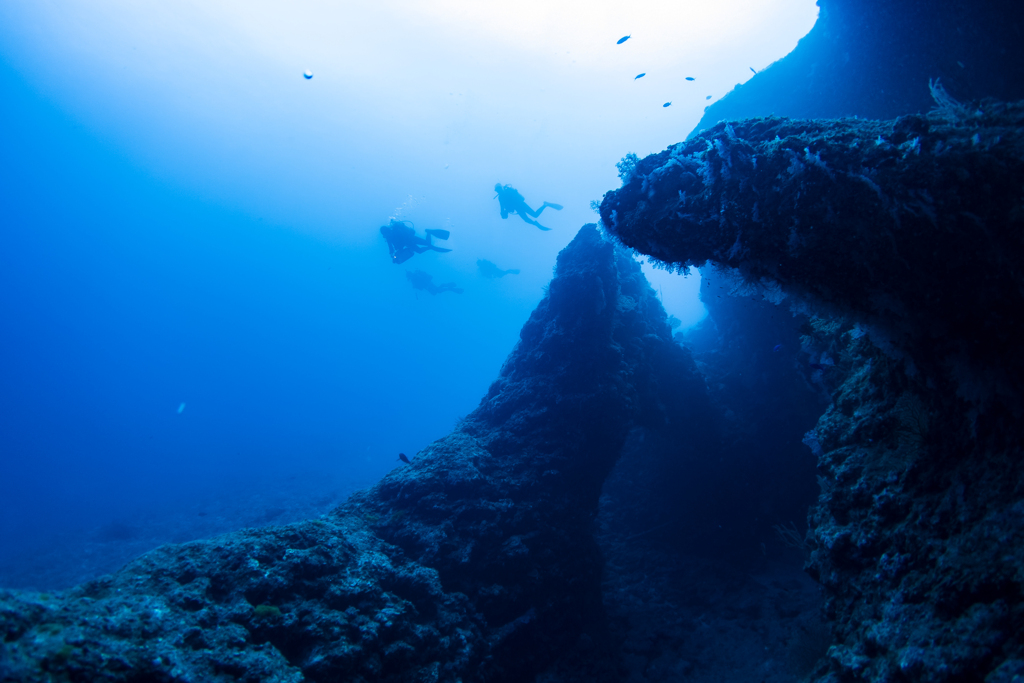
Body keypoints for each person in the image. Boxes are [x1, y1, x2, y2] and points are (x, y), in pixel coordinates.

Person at [380, 219, 452, 264]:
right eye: (384, 234)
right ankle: (430, 247)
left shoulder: (395, 230)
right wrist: (392, 255)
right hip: (408, 243)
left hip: (411, 238)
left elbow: (402, 237)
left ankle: (428, 232)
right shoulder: (388, 238)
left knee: (427, 243)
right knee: (420, 251)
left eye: (385, 233)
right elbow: (391, 248)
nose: (385, 235)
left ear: (387, 230)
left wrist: (398, 249)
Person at [494, 184, 563, 231]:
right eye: (497, 190)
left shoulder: (508, 191)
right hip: (518, 208)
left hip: (521, 204)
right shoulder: (500, 197)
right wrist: (503, 213)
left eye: (499, 189)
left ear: (501, 188)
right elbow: (502, 207)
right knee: (526, 220)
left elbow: (514, 199)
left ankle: (545, 204)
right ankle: (536, 224)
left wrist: (504, 211)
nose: (498, 190)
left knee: (535, 215)